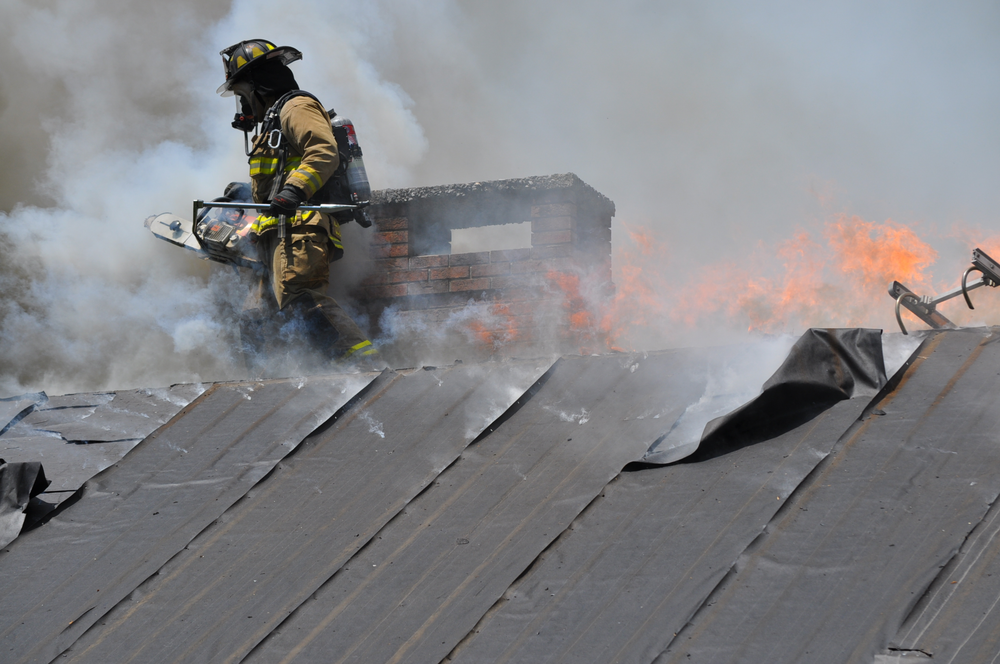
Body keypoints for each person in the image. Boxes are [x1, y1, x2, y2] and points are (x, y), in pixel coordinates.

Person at [216, 39, 379, 375]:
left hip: (299, 226)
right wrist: (240, 194)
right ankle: (263, 385)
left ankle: (366, 372)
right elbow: (273, 181)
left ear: (259, 86)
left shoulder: (297, 107)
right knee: (255, 317)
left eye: (243, 92)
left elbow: (323, 152)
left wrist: (293, 192)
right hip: (274, 233)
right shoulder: (273, 121)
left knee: (304, 302)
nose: (243, 103)